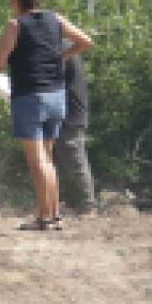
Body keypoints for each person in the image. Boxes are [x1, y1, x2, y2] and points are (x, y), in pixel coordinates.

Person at [0, 0, 94, 231]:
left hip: (29, 98)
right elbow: (86, 41)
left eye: (10, 3)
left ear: (15, 1)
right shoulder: (55, 19)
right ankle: (53, 216)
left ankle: (45, 218)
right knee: (47, 158)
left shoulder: (14, 26)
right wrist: (63, 55)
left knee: (38, 162)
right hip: (57, 97)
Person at [54, 51, 98, 217]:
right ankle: (65, 202)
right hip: (64, 111)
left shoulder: (63, 47)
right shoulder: (64, 44)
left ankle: (88, 205)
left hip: (71, 114)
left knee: (75, 159)